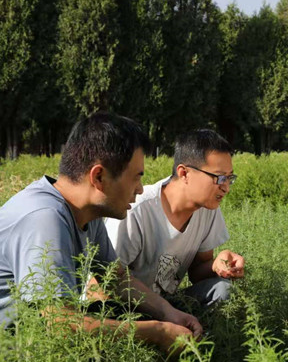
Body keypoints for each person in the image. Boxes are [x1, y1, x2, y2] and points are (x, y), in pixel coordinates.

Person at [0, 112, 202, 353]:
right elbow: (60, 324)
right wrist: (157, 332)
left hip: (16, 338)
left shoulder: (87, 214)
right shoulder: (45, 218)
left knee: (117, 314)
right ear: (98, 177)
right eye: (135, 178)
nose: (140, 189)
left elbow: (116, 279)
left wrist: (168, 313)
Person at [105, 129, 244, 311]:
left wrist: (218, 264)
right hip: (126, 313)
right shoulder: (136, 210)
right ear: (184, 173)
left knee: (223, 289)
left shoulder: (208, 208)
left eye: (229, 178)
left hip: (168, 308)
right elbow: (104, 281)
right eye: (219, 178)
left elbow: (197, 272)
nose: (226, 187)